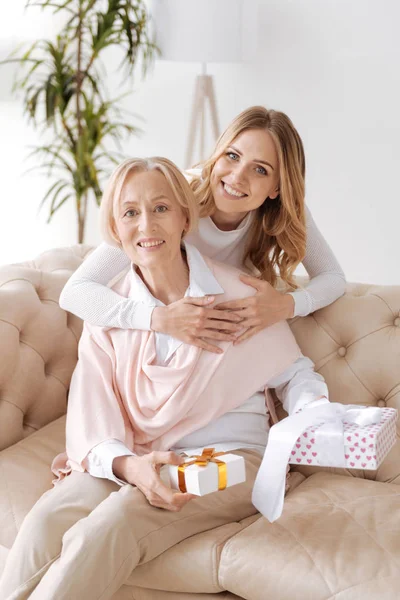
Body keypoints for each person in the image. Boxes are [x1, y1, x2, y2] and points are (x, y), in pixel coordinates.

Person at [0, 157, 329, 600]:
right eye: (130, 212)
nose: (146, 224)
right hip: (140, 451)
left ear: (184, 217)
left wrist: (315, 412)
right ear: (116, 229)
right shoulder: (109, 311)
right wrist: (129, 466)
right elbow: (93, 413)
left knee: (107, 527)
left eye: (160, 208)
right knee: (44, 521)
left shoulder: (236, 295)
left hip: (233, 459)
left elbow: (294, 373)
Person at [59, 106, 346, 352]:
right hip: (154, 330)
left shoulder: (285, 213)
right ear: (217, 154)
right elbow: (76, 290)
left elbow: (332, 277)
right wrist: (160, 319)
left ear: (277, 187)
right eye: (232, 156)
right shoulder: (172, 196)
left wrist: (287, 305)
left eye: (260, 170)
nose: (237, 176)